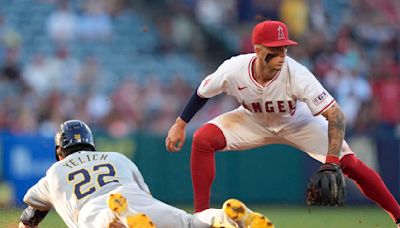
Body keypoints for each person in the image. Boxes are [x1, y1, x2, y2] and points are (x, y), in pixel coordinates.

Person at [165, 20, 400, 226]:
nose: (281, 55)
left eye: (284, 48)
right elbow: (202, 92)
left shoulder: (297, 73)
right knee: (203, 139)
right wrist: (180, 123)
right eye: (274, 49)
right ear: (257, 50)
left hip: (298, 122)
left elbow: (336, 115)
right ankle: (202, 218)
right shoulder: (234, 69)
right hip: (252, 120)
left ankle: (399, 217)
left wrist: (331, 162)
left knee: (350, 164)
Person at [18, 120, 274, 228]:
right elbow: (146, 197)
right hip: (136, 200)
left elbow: (31, 216)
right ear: (91, 142)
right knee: (189, 223)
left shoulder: (54, 173)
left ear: (59, 151)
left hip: (96, 213)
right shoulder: (117, 158)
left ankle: (118, 215)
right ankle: (226, 217)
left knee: (108, 220)